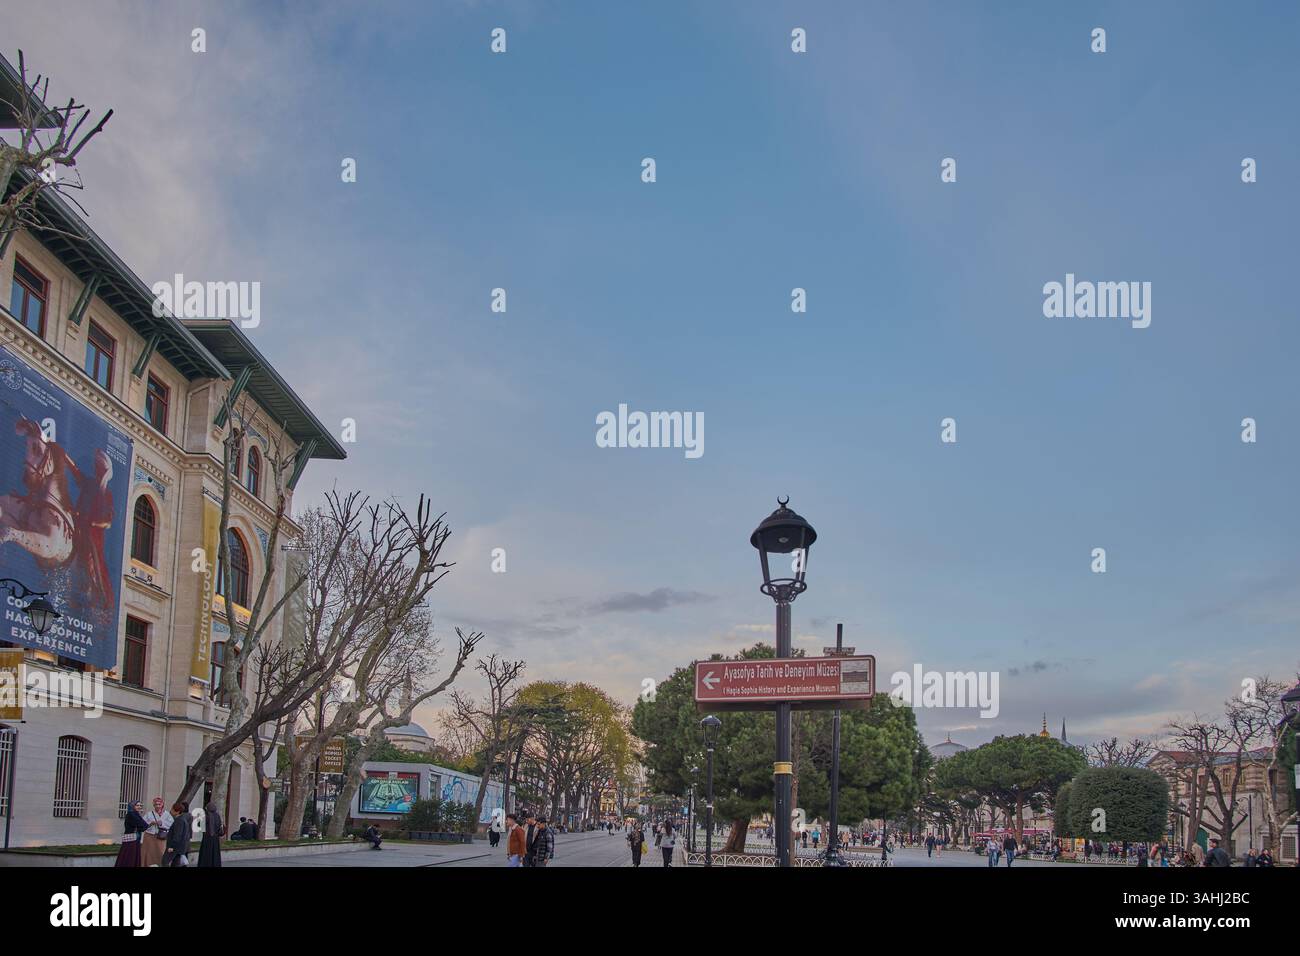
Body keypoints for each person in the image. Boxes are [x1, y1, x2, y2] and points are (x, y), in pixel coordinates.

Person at [115, 801, 148, 867]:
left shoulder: (136, 814)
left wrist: (142, 826)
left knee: (132, 856)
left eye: (140, 805)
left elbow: (144, 827)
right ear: (133, 806)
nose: (139, 807)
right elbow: (143, 825)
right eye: (137, 805)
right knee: (130, 856)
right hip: (131, 840)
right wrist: (142, 826)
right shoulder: (131, 814)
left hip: (135, 839)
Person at [141, 797, 172, 867]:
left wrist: (161, 823)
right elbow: (143, 824)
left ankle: (161, 865)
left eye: (159, 804)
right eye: (156, 804)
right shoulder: (149, 814)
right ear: (153, 805)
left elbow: (171, 824)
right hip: (149, 836)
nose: (157, 806)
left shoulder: (167, 814)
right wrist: (151, 823)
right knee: (148, 852)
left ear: (162, 805)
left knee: (161, 852)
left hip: (161, 836)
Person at [164, 801, 192, 867]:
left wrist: (172, 846)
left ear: (177, 811)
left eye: (172, 809)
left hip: (175, 847)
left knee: (166, 862)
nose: (170, 811)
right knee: (175, 863)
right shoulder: (182, 819)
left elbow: (177, 835)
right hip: (180, 847)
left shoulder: (179, 820)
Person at [198, 801, 223, 868]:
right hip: (215, 837)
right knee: (215, 853)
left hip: (207, 837)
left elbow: (200, 826)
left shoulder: (205, 816)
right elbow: (219, 825)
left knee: (206, 853)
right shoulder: (217, 816)